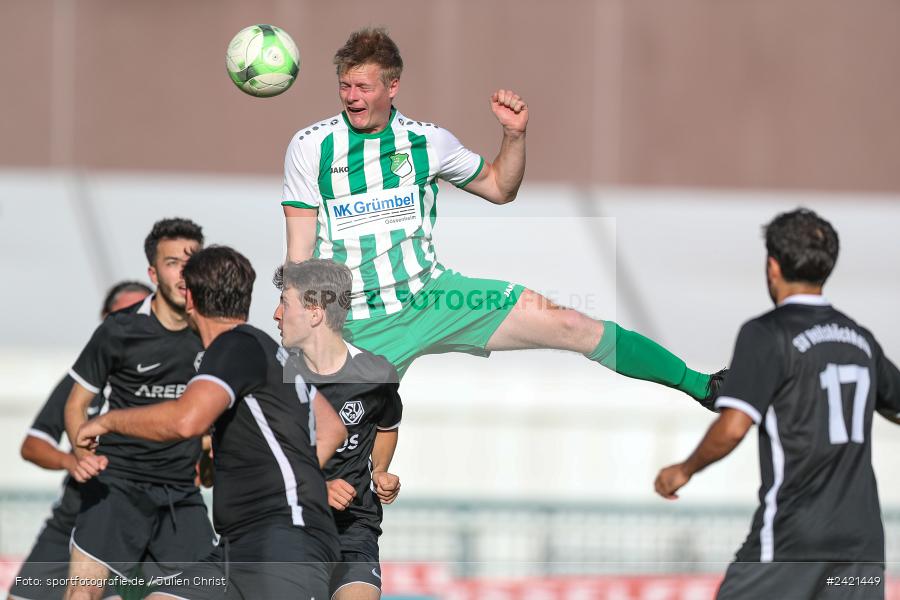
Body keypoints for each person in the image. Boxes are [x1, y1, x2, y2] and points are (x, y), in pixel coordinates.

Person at [282, 27, 724, 409]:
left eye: (363, 87)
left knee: (572, 324)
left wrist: (515, 136)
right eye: (345, 87)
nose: (352, 97)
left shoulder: (428, 142)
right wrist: (299, 318)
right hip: (356, 320)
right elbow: (299, 253)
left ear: (393, 86)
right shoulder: (311, 146)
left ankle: (706, 387)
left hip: (434, 299)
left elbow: (500, 189)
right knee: (335, 460)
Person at [75, 246, 347, 600]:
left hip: (282, 544)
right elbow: (331, 428)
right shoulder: (260, 347)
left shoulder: (233, 346)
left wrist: (107, 421)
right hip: (237, 547)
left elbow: (186, 420)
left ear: (190, 298)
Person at [654, 209, 900, 599]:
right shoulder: (860, 340)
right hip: (862, 548)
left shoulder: (767, 333)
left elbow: (734, 426)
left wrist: (684, 469)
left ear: (772, 266)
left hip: (793, 540)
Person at [63, 218, 216, 600]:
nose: (184, 273)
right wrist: (82, 455)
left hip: (181, 493)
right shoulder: (120, 329)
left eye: (192, 261)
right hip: (116, 487)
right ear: (153, 272)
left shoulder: (215, 334)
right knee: (83, 595)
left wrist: (213, 455)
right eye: (172, 263)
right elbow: (76, 405)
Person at [9, 281, 151, 600]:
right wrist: (70, 461)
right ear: (104, 320)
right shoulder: (81, 382)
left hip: (139, 523)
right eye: (122, 316)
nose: (133, 326)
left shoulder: (169, 378)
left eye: (142, 316)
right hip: (72, 520)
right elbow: (32, 445)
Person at [274, 259, 402, 600]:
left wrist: (382, 470)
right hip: (292, 525)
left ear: (315, 313)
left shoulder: (376, 373)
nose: (276, 314)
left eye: (284, 303)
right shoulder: (275, 377)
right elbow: (257, 460)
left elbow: (387, 425)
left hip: (354, 528)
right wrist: (317, 487)